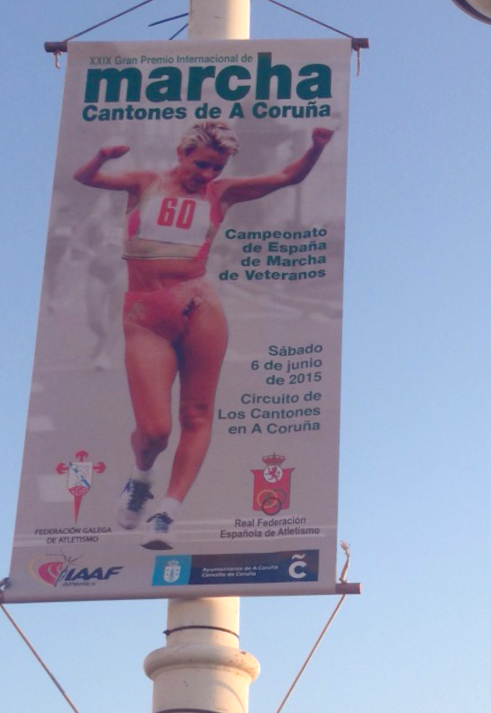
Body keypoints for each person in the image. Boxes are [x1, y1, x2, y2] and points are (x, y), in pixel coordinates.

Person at [73, 122, 334, 546]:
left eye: (216, 168)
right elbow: (85, 178)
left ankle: (168, 511)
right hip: (145, 314)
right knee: (154, 432)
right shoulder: (144, 183)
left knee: (196, 414)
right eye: (201, 165)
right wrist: (102, 156)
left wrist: (316, 147)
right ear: (182, 153)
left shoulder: (221, 193)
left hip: (199, 307)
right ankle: (141, 479)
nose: (207, 175)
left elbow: (289, 176)